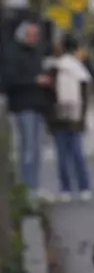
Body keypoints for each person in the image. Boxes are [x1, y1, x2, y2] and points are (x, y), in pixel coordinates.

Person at [3, 20, 51, 200]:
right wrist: (34, 80)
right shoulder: (13, 53)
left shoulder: (36, 53)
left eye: (36, 35)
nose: (35, 38)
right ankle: (27, 187)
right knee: (28, 148)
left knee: (37, 148)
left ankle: (34, 185)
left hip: (37, 104)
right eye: (32, 35)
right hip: (23, 105)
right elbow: (10, 80)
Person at [45, 36, 93, 202]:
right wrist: (83, 117)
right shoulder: (80, 70)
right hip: (74, 117)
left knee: (63, 155)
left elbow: (49, 97)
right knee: (77, 154)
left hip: (59, 117)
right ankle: (83, 187)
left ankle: (66, 188)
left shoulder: (53, 70)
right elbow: (85, 96)